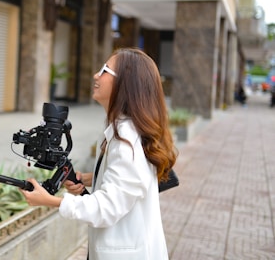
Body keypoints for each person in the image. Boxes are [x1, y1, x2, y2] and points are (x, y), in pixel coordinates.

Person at [21, 48, 178, 259]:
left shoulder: (127, 141)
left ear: (126, 84)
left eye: (105, 70)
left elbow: (107, 208)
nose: (96, 74)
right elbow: (127, 180)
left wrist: (50, 200)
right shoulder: (119, 128)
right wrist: (90, 179)